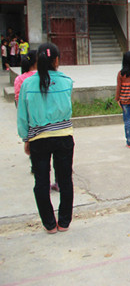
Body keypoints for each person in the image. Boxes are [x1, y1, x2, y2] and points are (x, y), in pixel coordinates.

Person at [17, 43, 74, 233]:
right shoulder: (66, 81)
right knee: (65, 180)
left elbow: (23, 115)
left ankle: (49, 224)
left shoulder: (27, 84)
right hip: (64, 136)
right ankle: (64, 222)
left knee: (41, 182)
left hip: (38, 138)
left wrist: (26, 138)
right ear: (56, 60)